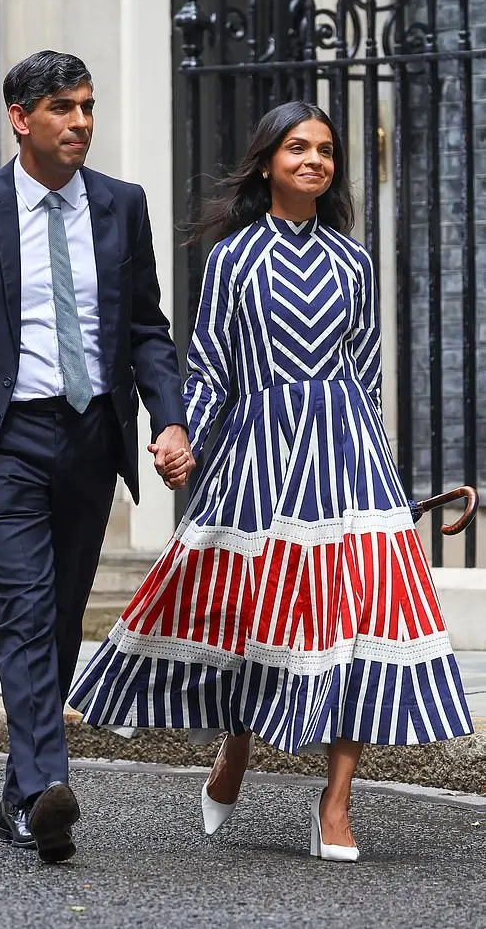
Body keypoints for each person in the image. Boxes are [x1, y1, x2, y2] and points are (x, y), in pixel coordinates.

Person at [68, 101, 473, 861]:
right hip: (262, 459)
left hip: (349, 457)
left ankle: (335, 803)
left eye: (325, 150)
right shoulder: (233, 259)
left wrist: (383, 474)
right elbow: (213, 368)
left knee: (362, 620)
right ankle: (236, 747)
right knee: (262, 612)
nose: (316, 160)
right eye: (298, 148)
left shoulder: (354, 262)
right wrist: (180, 436)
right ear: (266, 162)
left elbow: (367, 375)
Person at [0, 50, 195, 863]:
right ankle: (46, 794)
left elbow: (145, 330)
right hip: (4, 443)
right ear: (21, 119)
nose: (82, 122)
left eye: (88, 106)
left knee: (58, 621)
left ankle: (18, 793)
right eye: (63, 107)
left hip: (92, 438)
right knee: (25, 612)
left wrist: (169, 420)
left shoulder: (121, 207)